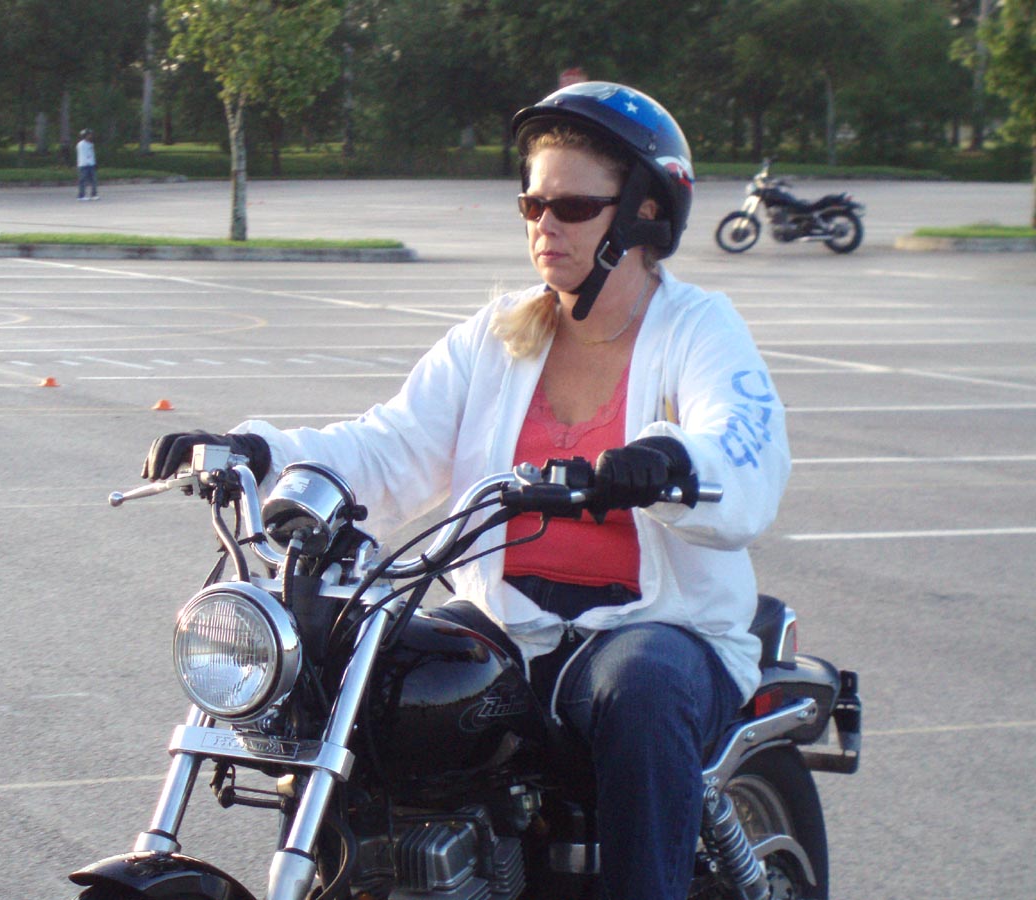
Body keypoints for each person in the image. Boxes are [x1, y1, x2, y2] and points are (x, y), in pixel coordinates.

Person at [141, 81, 790, 900]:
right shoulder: (498, 337)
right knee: (366, 668)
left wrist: (668, 461)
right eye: (532, 204)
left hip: (658, 626)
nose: (545, 224)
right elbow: (391, 443)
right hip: (508, 622)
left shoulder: (698, 329)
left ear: (645, 216)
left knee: (643, 690)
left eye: (572, 207)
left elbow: (743, 440)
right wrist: (258, 450)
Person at [76, 128, 98, 201]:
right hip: (84, 165)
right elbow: (85, 155)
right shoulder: (81, 144)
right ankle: (81, 195)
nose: (90, 136)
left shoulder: (90, 144)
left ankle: (94, 194)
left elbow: (92, 154)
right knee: (82, 181)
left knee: (94, 180)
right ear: (84, 136)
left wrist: (94, 163)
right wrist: (88, 162)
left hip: (91, 164)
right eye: (89, 135)